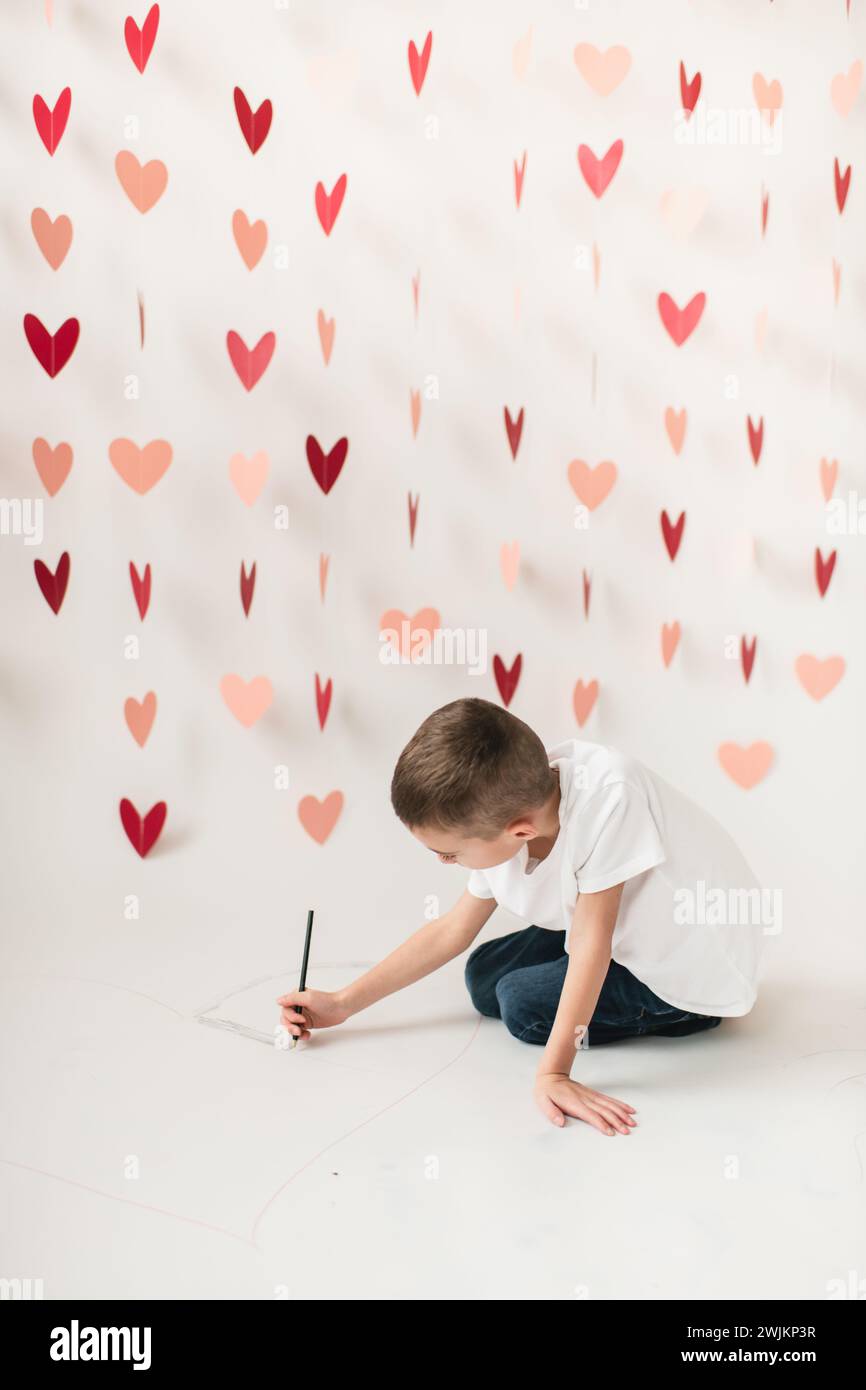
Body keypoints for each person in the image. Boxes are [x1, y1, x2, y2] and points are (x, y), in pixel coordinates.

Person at [278, 698, 768, 1133]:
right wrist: (343, 1002)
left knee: (518, 1003)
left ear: (518, 832)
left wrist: (555, 1072)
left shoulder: (609, 800)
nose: (442, 863)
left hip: (687, 969)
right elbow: (453, 930)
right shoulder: (514, 800)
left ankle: (679, 1016)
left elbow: (592, 946)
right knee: (482, 974)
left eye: (448, 854)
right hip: (616, 925)